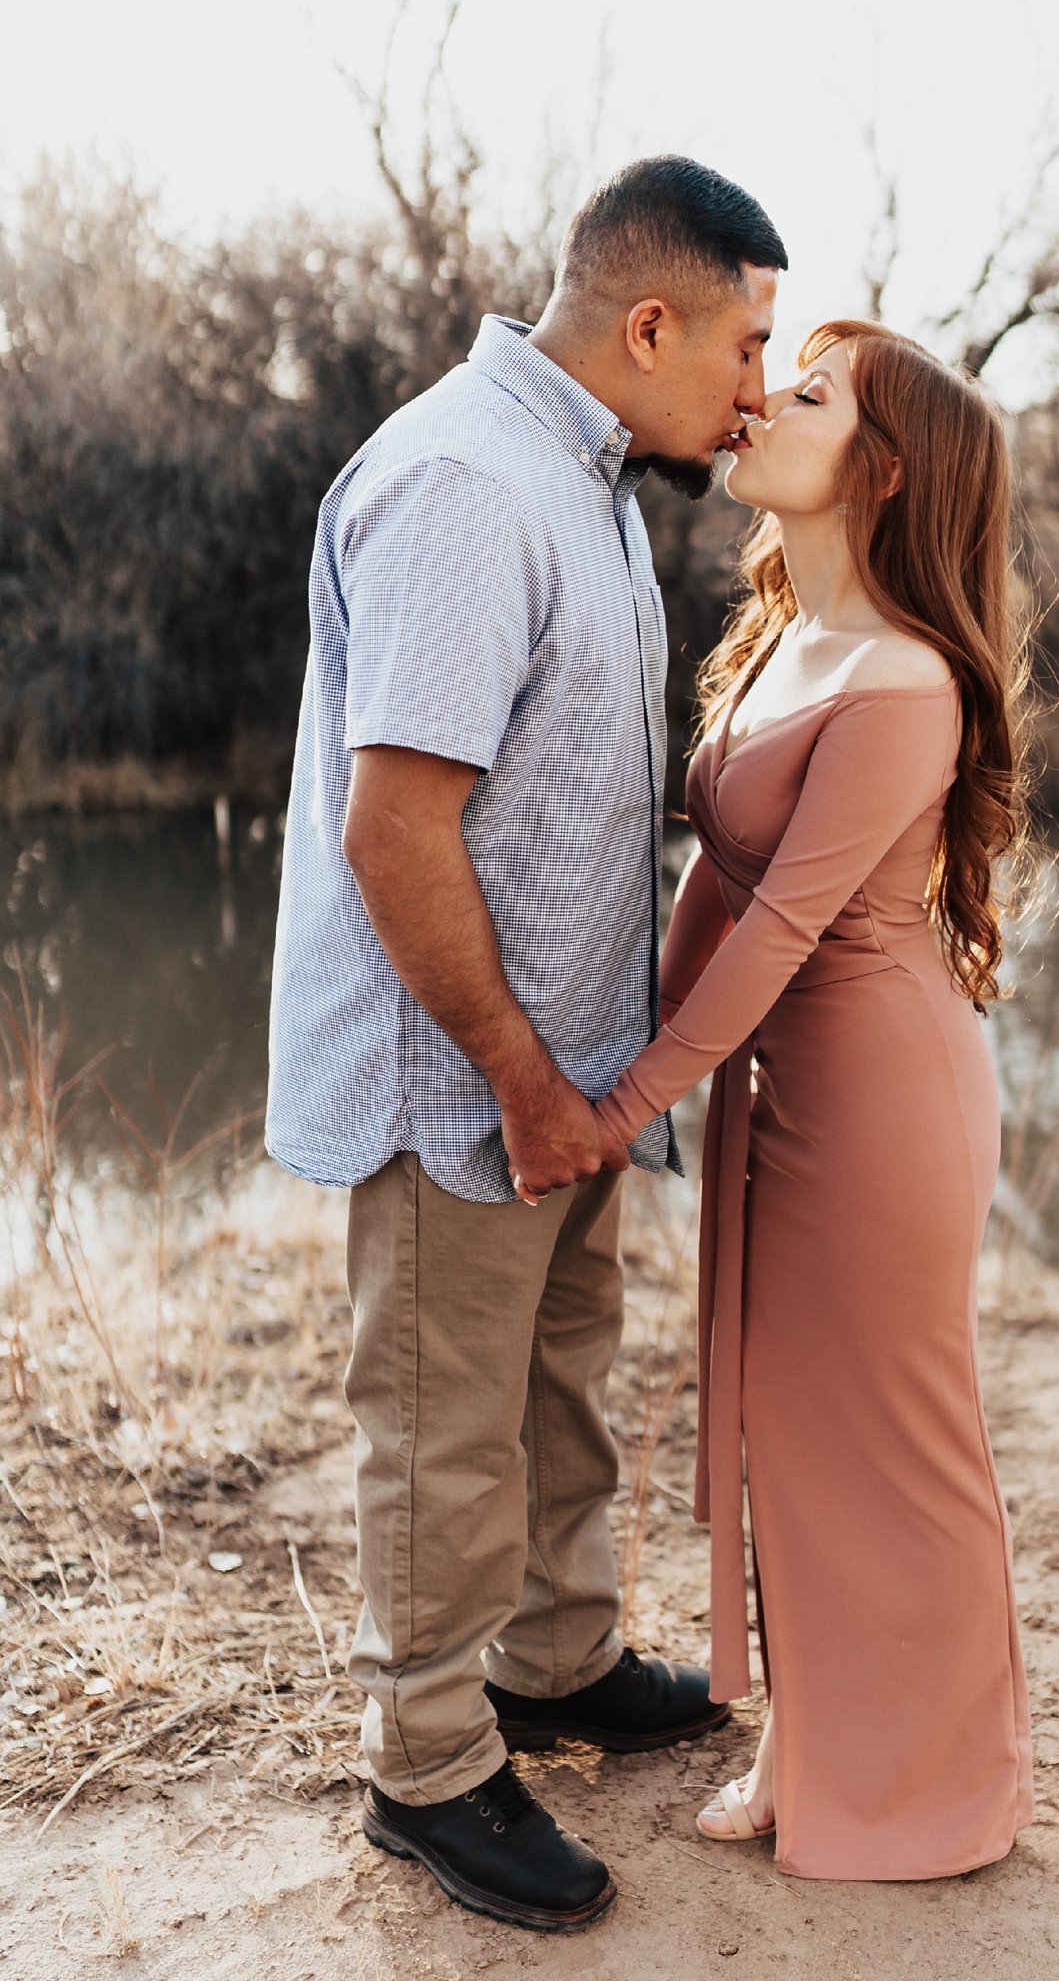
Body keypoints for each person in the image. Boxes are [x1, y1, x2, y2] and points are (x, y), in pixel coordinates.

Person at [265, 156, 787, 1932]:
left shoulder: (580, 477)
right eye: (743, 342)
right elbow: (393, 831)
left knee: (559, 1386)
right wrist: (519, 1079)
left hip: (563, 1082)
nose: (751, 390)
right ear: (649, 322)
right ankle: (423, 1767)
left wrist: (592, 1085)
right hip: (465, 1083)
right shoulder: (466, 485)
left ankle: (554, 1664)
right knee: (443, 1424)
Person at [593, 319, 1039, 1878]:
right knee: (786, 1426)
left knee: (901, 1435)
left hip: (884, 1104)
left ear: (884, 468)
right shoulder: (786, 632)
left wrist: (629, 1094)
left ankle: (950, 1778)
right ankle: (807, 1724)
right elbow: (719, 884)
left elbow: (785, 930)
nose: (760, 399)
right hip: (782, 1092)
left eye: (808, 391)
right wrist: (627, 1049)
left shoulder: (907, 682)